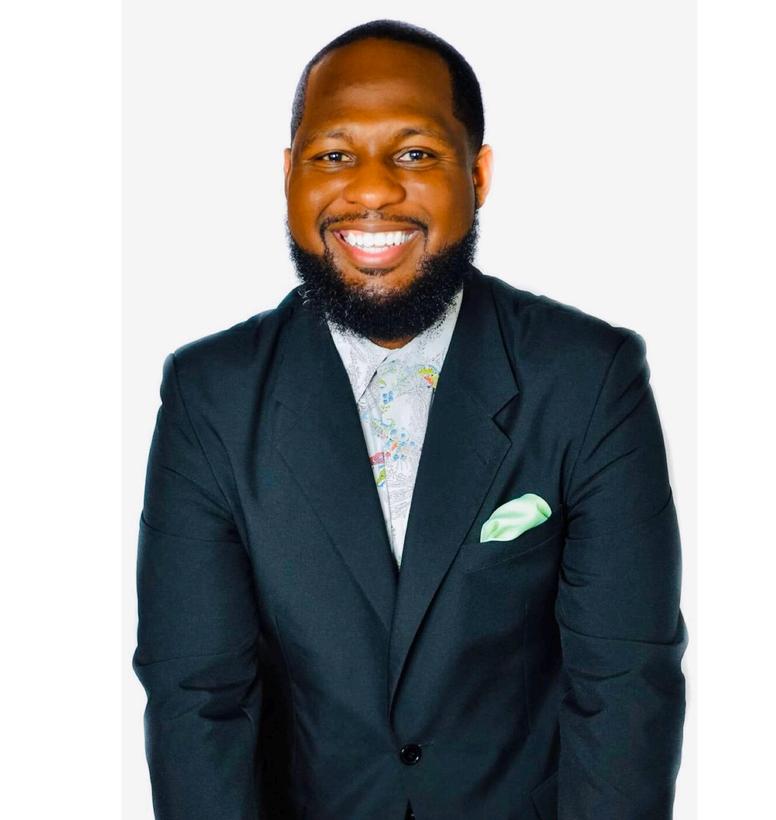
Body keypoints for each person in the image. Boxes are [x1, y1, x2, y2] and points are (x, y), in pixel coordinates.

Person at [132, 18, 688, 820]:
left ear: (479, 173)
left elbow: (626, 686)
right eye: (333, 156)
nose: (369, 190)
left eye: (416, 154)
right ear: (289, 175)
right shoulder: (209, 396)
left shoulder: (589, 378)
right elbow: (197, 699)